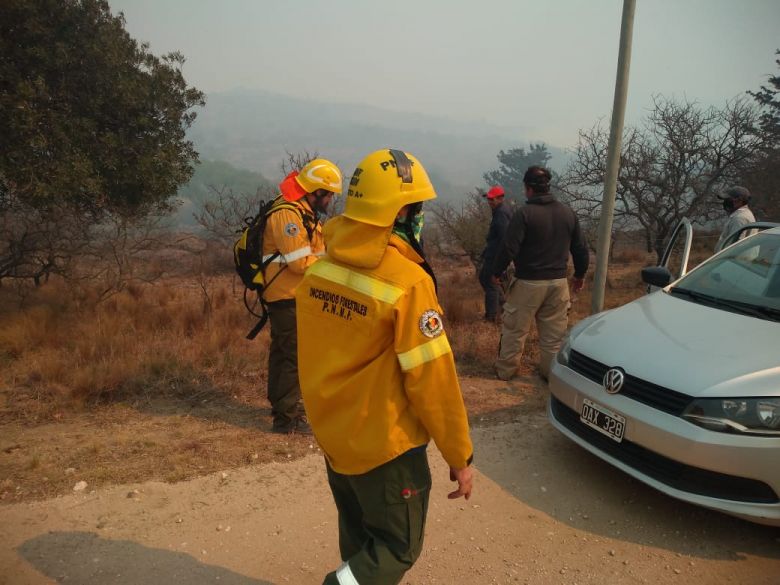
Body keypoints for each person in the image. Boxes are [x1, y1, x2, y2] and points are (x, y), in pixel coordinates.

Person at [295, 148, 474, 585]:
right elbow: (432, 380)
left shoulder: (319, 269)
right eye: (416, 208)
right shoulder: (408, 282)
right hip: (385, 448)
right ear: (400, 212)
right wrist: (459, 454)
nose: (419, 217)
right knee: (395, 546)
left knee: (359, 541)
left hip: (336, 438)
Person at [262, 158, 342, 434]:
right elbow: (299, 263)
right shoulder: (289, 215)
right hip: (286, 295)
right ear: (315, 191)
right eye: (329, 193)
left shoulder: (304, 213)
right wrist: (333, 267)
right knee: (294, 357)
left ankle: (281, 408)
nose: (331, 199)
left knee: (283, 354)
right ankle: (287, 419)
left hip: (294, 295)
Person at [491, 165, 589, 381]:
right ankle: (550, 375)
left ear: (528, 188)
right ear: (548, 187)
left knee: (515, 331)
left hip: (528, 282)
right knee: (553, 338)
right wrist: (580, 275)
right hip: (558, 283)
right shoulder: (568, 213)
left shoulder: (524, 214)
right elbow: (581, 249)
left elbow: (509, 248)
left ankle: (506, 371)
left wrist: (495, 272)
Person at [479, 185, 513, 322]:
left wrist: (500, 259)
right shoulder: (501, 210)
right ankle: (504, 307)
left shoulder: (501, 213)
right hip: (493, 253)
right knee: (486, 279)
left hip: (495, 255)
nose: (489, 202)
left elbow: (504, 238)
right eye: (488, 199)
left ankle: (491, 317)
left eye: (492, 199)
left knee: (490, 283)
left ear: (501, 198)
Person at [715, 186, 756, 251]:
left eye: (728, 199)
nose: (725, 202)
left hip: (734, 259)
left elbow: (734, 246)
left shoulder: (739, 218)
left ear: (739, 201)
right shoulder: (743, 214)